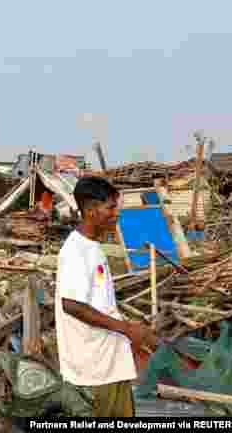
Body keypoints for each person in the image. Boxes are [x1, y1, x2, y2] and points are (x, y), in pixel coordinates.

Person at [56, 176, 158, 418]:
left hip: (109, 364)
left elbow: (98, 304)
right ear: (91, 210)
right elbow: (71, 305)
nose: (116, 214)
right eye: (111, 208)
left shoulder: (93, 247)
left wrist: (130, 334)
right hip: (94, 370)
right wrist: (126, 329)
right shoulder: (75, 251)